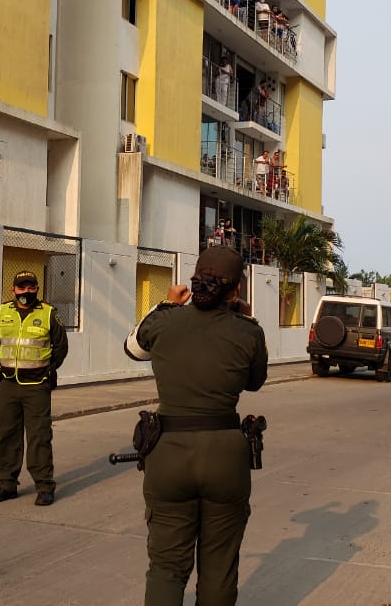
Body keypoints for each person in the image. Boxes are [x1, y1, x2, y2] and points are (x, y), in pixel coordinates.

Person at [123, 246, 268, 605]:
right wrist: (243, 319)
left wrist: (167, 304)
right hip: (225, 455)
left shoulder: (164, 321)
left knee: (167, 566)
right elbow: (254, 381)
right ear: (235, 290)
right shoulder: (249, 332)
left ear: (193, 283)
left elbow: (133, 349)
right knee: (219, 566)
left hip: (168, 453)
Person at [0, 269, 68, 506]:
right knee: (6, 435)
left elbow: (61, 346)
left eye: (31, 287)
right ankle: (7, 484)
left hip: (37, 385)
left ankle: (44, 485)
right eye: (21, 288)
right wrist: (8, 364)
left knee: (39, 437)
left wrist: (48, 369)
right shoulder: (2, 312)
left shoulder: (49, 313)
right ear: (13, 290)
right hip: (9, 384)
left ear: (37, 289)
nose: (26, 292)